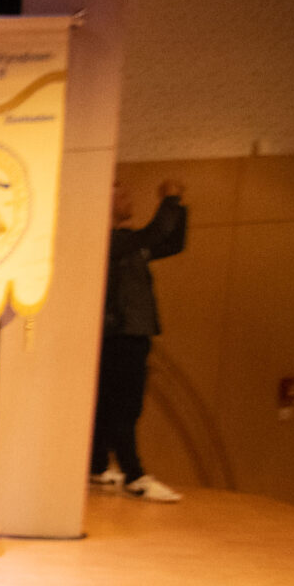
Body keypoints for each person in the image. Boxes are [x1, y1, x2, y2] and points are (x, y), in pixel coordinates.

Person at [92, 179, 187, 502]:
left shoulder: (127, 242)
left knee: (109, 405)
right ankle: (135, 475)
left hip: (128, 333)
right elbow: (155, 234)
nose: (128, 198)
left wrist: (179, 206)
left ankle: (98, 465)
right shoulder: (105, 240)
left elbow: (172, 243)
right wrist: (170, 200)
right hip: (120, 334)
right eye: (120, 193)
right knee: (125, 406)